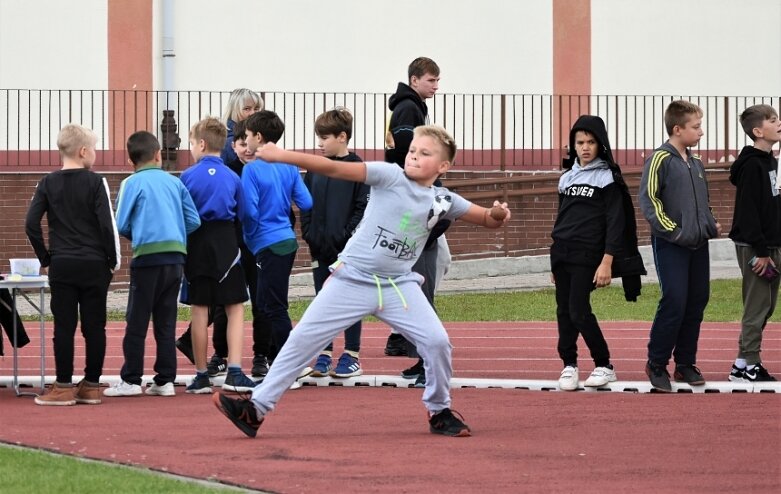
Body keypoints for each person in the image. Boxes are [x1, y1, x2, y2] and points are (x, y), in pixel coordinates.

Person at [213, 125, 510, 438]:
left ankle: (439, 411)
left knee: (437, 342)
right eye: (412, 151)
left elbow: (488, 220)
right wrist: (281, 156)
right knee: (302, 339)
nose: (414, 156)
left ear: (443, 166)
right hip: (352, 279)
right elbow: (333, 167)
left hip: (398, 285)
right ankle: (255, 410)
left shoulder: (444, 200)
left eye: (425, 154)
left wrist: (499, 214)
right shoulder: (389, 175)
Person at [25, 124, 120, 406]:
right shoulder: (96, 182)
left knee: (63, 327)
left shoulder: (46, 182)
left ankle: (63, 386)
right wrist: (112, 262)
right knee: (95, 326)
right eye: (94, 147)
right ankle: (91, 386)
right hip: (94, 264)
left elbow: (30, 224)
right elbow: (107, 225)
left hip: (62, 264)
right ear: (82, 151)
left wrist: (46, 258)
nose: (96, 153)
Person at [551, 115, 644, 391]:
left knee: (579, 311)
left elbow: (616, 224)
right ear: (573, 145)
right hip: (562, 254)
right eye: (580, 142)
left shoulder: (608, 178)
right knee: (563, 312)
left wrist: (607, 261)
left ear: (600, 144)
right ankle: (569, 365)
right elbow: (561, 218)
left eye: (591, 142)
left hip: (588, 256)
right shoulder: (566, 178)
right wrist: (553, 260)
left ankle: (604, 365)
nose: (585, 147)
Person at [106, 131, 201, 397]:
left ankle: (132, 379)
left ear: (130, 159)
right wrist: (176, 233)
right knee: (166, 320)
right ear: (159, 154)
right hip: (175, 256)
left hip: (147, 256)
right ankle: (165, 380)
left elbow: (121, 222)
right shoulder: (175, 183)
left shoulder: (131, 183)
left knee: (137, 319)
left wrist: (140, 234)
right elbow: (194, 220)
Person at [175, 120, 272, 379]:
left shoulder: (187, 176)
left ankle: (200, 375)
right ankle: (236, 370)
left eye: (192, 143)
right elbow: (246, 213)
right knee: (235, 306)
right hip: (226, 241)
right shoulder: (232, 176)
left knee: (199, 307)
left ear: (202, 144)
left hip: (197, 242)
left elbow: (183, 214)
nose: (192, 148)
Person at [638, 100, 721, 392]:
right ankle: (656, 363)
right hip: (671, 243)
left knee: (697, 300)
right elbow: (649, 202)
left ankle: (685, 363)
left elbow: (703, 202)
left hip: (698, 243)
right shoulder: (660, 159)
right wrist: (676, 231)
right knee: (674, 300)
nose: (701, 132)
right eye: (696, 127)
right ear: (677, 129)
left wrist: (708, 225)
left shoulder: (696, 163)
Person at [384, 57, 448, 388]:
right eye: (431, 80)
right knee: (422, 281)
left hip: (417, 201)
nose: (436, 86)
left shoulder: (410, 107)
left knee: (431, 270)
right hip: (414, 204)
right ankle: (425, 358)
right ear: (414, 80)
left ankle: (410, 345)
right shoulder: (408, 109)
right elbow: (406, 156)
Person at [301, 108, 369, 378]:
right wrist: (309, 233)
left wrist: (345, 236)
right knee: (323, 301)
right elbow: (305, 203)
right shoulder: (315, 169)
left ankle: (352, 354)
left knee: (350, 300)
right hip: (319, 247)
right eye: (318, 137)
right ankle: (325, 352)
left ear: (342, 137)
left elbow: (362, 208)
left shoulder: (358, 169)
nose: (319, 143)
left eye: (324, 137)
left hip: (347, 251)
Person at [241, 110, 313, 365]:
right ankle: (274, 358)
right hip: (286, 240)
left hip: (266, 242)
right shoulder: (289, 165)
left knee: (274, 305)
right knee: (263, 300)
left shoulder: (251, 170)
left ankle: (292, 364)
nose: (245, 140)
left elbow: (249, 211)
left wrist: (250, 237)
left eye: (247, 135)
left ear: (258, 137)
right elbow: (306, 202)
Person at [727, 104, 781, 382]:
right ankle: (750, 364)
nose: (779, 123)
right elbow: (748, 212)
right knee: (757, 304)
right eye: (773, 120)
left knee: (767, 304)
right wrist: (761, 252)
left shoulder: (771, 161)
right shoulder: (751, 166)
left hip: (771, 243)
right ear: (758, 131)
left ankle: (740, 364)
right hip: (755, 246)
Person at [220, 88, 263, 165]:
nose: (253, 113)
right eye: (247, 109)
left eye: (256, 109)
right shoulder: (231, 140)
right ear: (234, 110)